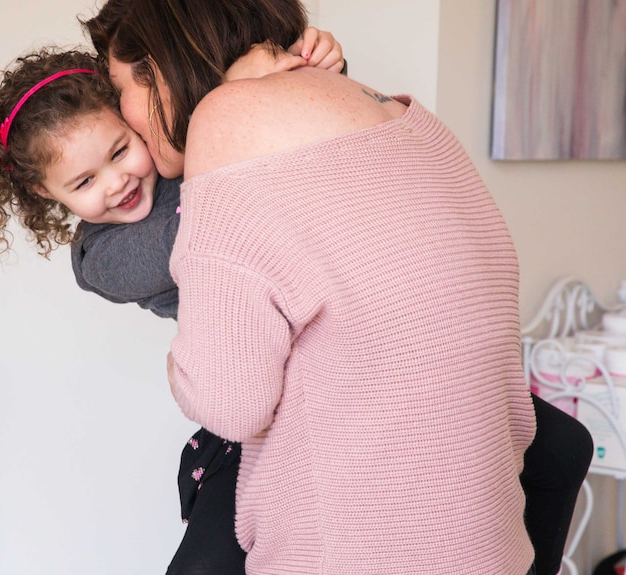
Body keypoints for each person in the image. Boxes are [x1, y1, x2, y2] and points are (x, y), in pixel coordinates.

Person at [82, 1, 594, 574]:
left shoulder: (226, 123)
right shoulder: (401, 116)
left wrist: (183, 364)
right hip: (486, 540)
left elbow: (230, 404)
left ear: (159, 67)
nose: (125, 116)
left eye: (119, 85)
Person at [0, 35, 344, 575]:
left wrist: (310, 71)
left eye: (119, 151)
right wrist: (232, 104)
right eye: (85, 181)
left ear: (134, 121)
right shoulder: (103, 258)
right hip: (250, 392)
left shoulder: (179, 161)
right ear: (48, 194)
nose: (118, 182)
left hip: (321, 347)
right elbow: (199, 230)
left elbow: (299, 150)